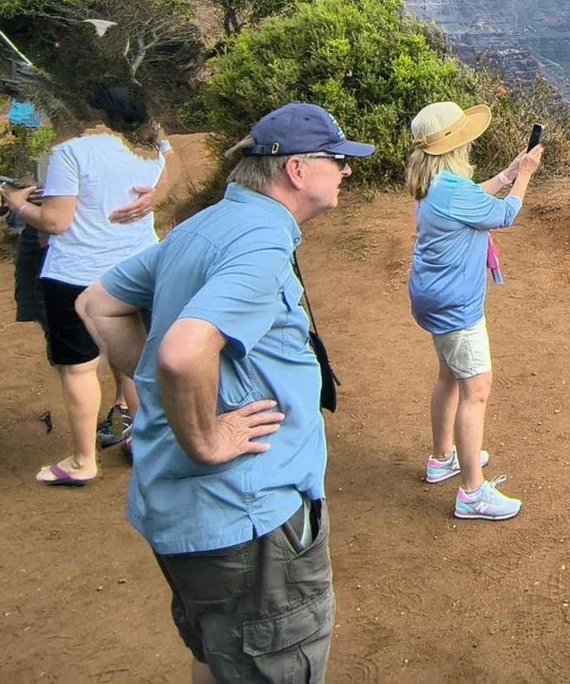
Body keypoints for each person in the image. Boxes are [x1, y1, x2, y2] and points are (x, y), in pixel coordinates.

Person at [75, 102, 373, 684]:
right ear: (296, 169)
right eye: (338, 160)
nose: (347, 171)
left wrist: (160, 400)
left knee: (215, 657)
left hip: (181, 515)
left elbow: (97, 303)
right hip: (248, 523)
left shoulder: (204, 225)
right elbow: (185, 352)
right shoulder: (261, 241)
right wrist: (207, 437)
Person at [0, 85, 169, 486]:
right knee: (135, 358)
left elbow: (57, 221)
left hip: (76, 273)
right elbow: (167, 146)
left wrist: (16, 203)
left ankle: (82, 461)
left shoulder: (70, 153)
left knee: (78, 368)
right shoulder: (151, 151)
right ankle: (143, 442)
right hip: (136, 268)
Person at [406, 101, 542, 521]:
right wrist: (525, 178)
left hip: (430, 297)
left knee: (450, 375)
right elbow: (504, 214)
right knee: (476, 388)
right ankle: (472, 492)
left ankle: (442, 457)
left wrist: (508, 172)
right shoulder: (451, 189)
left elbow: (470, 199)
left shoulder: (434, 182)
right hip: (455, 306)